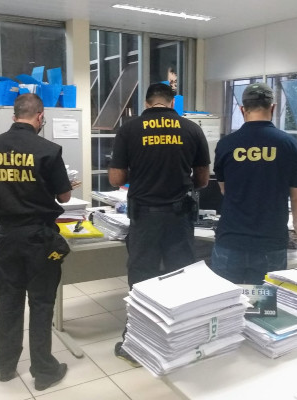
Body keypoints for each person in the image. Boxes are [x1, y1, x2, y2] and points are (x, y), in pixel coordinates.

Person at [108, 82, 210, 365]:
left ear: (147, 102)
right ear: (172, 102)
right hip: (179, 218)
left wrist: (141, 172)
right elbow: (202, 180)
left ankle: (136, 346)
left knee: (142, 281)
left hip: (145, 218)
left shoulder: (130, 129)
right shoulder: (192, 129)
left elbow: (116, 179)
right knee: (181, 278)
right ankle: (183, 344)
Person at [0, 93, 73, 391]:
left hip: (7, 238)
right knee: (41, 303)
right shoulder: (49, 150)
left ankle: (5, 366)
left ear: (14, 115)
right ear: (40, 116)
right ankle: (44, 371)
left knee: (9, 301)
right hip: (39, 239)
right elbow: (64, 196)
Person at [211, 82, 297, 284]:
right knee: (264, 303)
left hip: (230, 240)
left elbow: (224, 189)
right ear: (273, 108)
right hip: (271, 243)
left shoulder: (226, 144)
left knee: (227, 302)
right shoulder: (289, 145)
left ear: (242, 109)